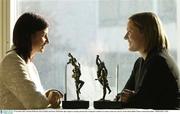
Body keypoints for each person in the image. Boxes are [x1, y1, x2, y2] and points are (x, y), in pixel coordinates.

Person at [115, 12, 180, 109]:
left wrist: (131, 97)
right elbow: (123, 97)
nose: (125, 37)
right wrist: (129, 97)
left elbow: (142, 103)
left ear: (145, 32)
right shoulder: (140, 63)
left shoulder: (158, 62)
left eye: (130, 31)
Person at [0, 12, 63, 109]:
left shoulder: (29, 65)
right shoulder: (11, 61)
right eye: (44, 35)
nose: (47, 40)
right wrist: (50, 97)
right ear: (30, 36)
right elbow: (34, 103)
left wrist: (48, 94)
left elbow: (34, 96)